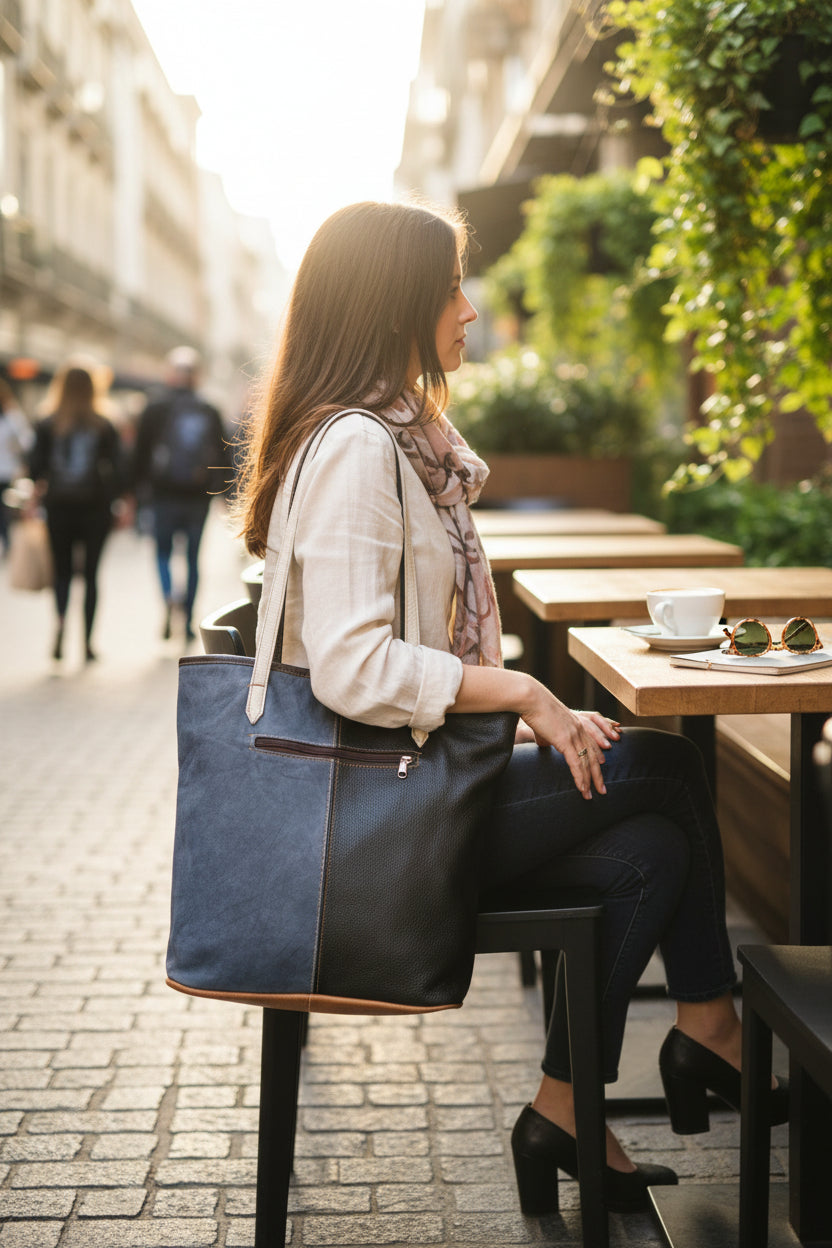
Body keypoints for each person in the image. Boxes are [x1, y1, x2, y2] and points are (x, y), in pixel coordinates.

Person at [233, 201, 787, 1215]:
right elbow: (355, 668)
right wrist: (527, 691)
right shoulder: (358, 450)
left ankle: (565, 1109)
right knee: (662, 769)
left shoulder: (391, 440)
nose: (471, 310)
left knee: (652, 850)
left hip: (392, 797)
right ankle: (710, 1029)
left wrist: (521, 703)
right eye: (450, 286)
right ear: (392, 300)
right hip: (373, 832)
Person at [131, 347, 231, 641]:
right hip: (198, 497)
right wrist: (224, 493)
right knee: (192, 558)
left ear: (170, 374)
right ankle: (186, 618)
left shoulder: (154, 407)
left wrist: (136, 492)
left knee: (162, 552)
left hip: (162, 495)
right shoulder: (209, 409)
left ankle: (168, 599)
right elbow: (224, 454)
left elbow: (139, 454)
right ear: (197, 376)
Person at [28, 364, 122, 662]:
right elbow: (119, 469)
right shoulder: (104, 424)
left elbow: (34, 469)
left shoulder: (47, 423)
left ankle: (59, 630)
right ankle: (87, 643)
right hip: (95, 509)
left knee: (62, 573)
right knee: (92, 576)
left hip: (58, 507)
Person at [0, 378, 35, 557]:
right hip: (6, 468)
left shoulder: (13, 417)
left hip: (6, 470)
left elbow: (27, 441)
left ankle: (6, 539)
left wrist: (16, 446)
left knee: (5, 507)